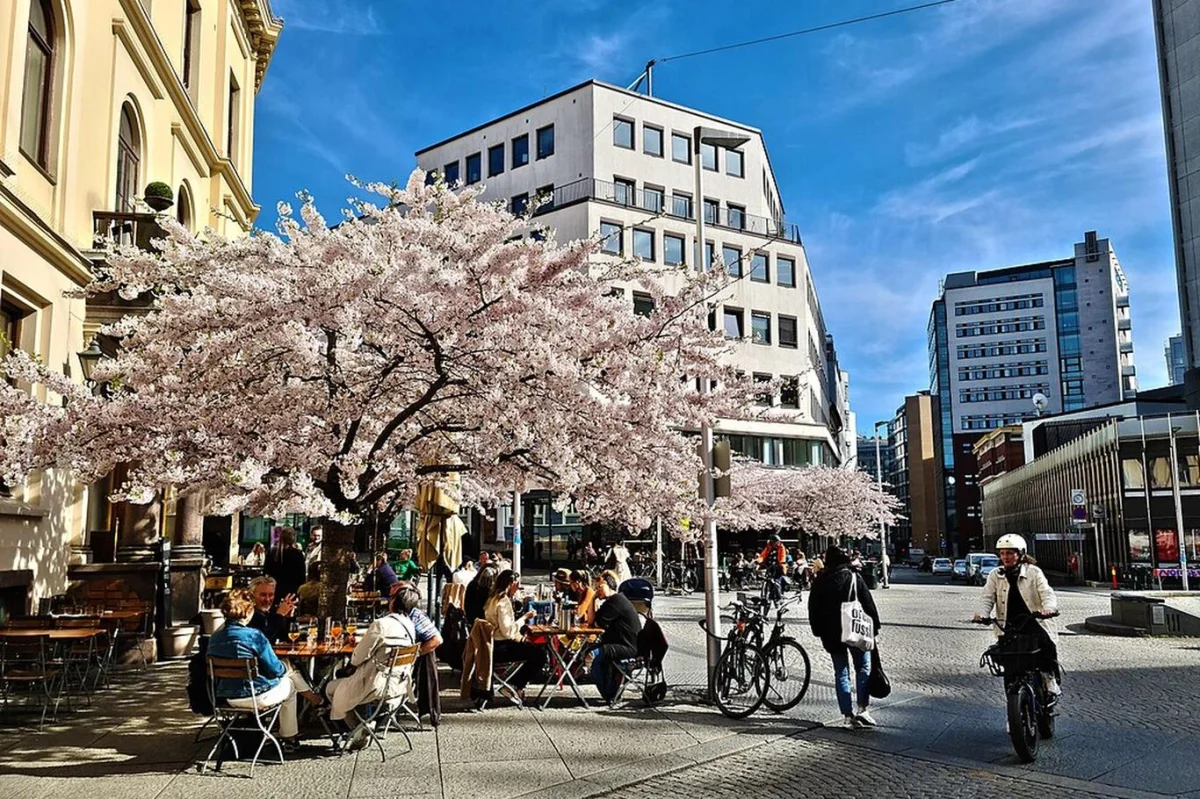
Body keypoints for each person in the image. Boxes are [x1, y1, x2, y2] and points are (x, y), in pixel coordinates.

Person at [208, 590, 323, 752]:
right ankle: (290, 737)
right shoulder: (254, 636)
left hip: (228, 697)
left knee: (287, 671)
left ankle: (314, 701)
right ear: (248, 612)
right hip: (256, 696)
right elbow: (275, 669)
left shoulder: (215, 638)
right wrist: (284, 667)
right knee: (290, 682)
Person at [324, 594, 417, 751]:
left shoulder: (381, 624)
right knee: (344, 685)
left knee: (330, 688)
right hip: (397, 685)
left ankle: (356, 728)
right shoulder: (409, 626)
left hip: (375, 685)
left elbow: (359, 655)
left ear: (394, 603)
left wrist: (350, 667)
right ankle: (361, 729)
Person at [973, 534, 1060, 699]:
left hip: (1034, 622)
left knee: (1046, 646)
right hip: (1008, 625)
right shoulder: (995, 575)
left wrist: (1048, 608)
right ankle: (1013, 713)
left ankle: (1049, 678)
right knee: (1010, 669)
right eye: (1002, 553)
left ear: (1020, 554)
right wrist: (982, 615)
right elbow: (987, 598)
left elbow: (1047, 593)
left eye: (1010, 553)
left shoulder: (1034, 572)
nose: (1005, 557)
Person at [808, 545, 881, 729]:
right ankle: (862, 708)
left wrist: (818, 631)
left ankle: (847, 716)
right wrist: (875, 629)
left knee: (841, 672)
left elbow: (813, 609)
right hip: (855, 628)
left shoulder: (820, 580)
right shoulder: (854, 577)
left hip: (831, 633)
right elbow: (868, 604)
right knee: (863, 667)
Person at [484, 570, 546, 701]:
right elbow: (507, 632)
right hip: (500, 647)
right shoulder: (503, 602)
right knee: (540, 655)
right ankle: (515, 684)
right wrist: (524, 618)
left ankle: (516, 685)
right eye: (516, 584)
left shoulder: (492, 598)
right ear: (511, 584)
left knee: (532, 649)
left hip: (492, 644)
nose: (518, 587)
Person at [588, 570, 641, 702]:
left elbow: (596, 623)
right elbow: (591, 622)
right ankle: (610, 692)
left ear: (608, 585)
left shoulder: (616, 601)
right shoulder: (611, 602)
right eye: (596, 588)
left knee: (591, 656)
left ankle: (609, 693)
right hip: (618, 643)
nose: (597, 590)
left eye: (600, 587)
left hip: (628, 647)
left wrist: (593, 598)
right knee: (589, 652)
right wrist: (593, 599)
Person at [247, 576, 297, 643]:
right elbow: (263, 640)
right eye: (263, 595)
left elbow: (287, 639)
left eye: (271, 595)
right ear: (251, 595)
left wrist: (288, 618)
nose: (267, 599)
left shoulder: (270, 613)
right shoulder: (247, 614)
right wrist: (279, 615)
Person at [265, 526, 307, 601]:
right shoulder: (297, 554)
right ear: (293, 538)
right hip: (292, 589)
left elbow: (266, 571)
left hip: (275, 588)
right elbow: (301, 575)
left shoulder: (272, 552)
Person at [758, 534, 788, 600]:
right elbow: (763, 555)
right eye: (776, 542)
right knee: (767, 579)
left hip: (778, 567)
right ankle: (766, 594)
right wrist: (759, 560)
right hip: (769, 566)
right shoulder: (768, 547)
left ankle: (779, 596)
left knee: (777, 581)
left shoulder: (781, 547)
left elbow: (782, 555)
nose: (777, 543)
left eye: (778, 542)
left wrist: (781, 562)